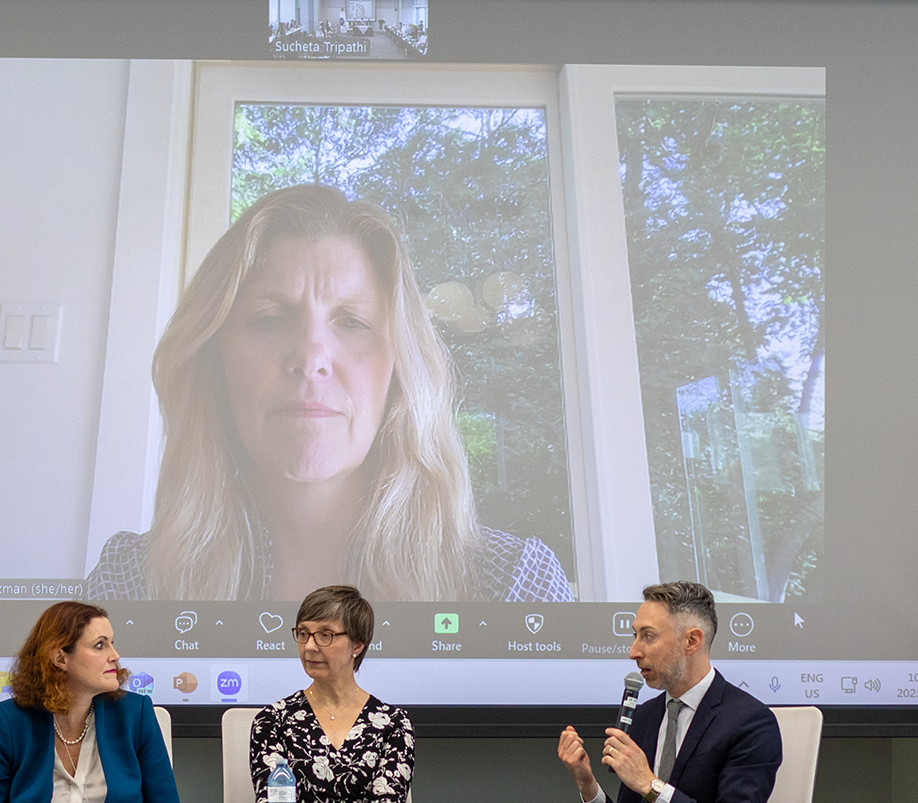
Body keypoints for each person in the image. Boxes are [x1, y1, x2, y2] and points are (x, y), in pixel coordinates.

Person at [87, 183, 572, 604]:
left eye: (353, 322)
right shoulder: (128, 585)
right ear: (214, 364)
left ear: (399, 370)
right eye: (269, 319)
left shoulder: (515, 585)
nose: (311, 356)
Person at [557, 581, 780, 803]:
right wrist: (588, 785)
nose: (633, 652)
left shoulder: (749, 723)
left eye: (648, 636)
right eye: (635, 635)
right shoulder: (643, 718)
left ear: (692, 641)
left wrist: (650, 786)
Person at [0, 602, 183, 803]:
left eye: (112, 643)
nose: (114, 656)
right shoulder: (7, 722)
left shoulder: (134, 714)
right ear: (60, 658)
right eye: (100, 645)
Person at [249, 584, 413, 803]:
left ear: (357, 645)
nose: (310, 646)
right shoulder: (273, 721)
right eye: (303, 633)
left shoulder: (393, 724)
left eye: (325, 635)